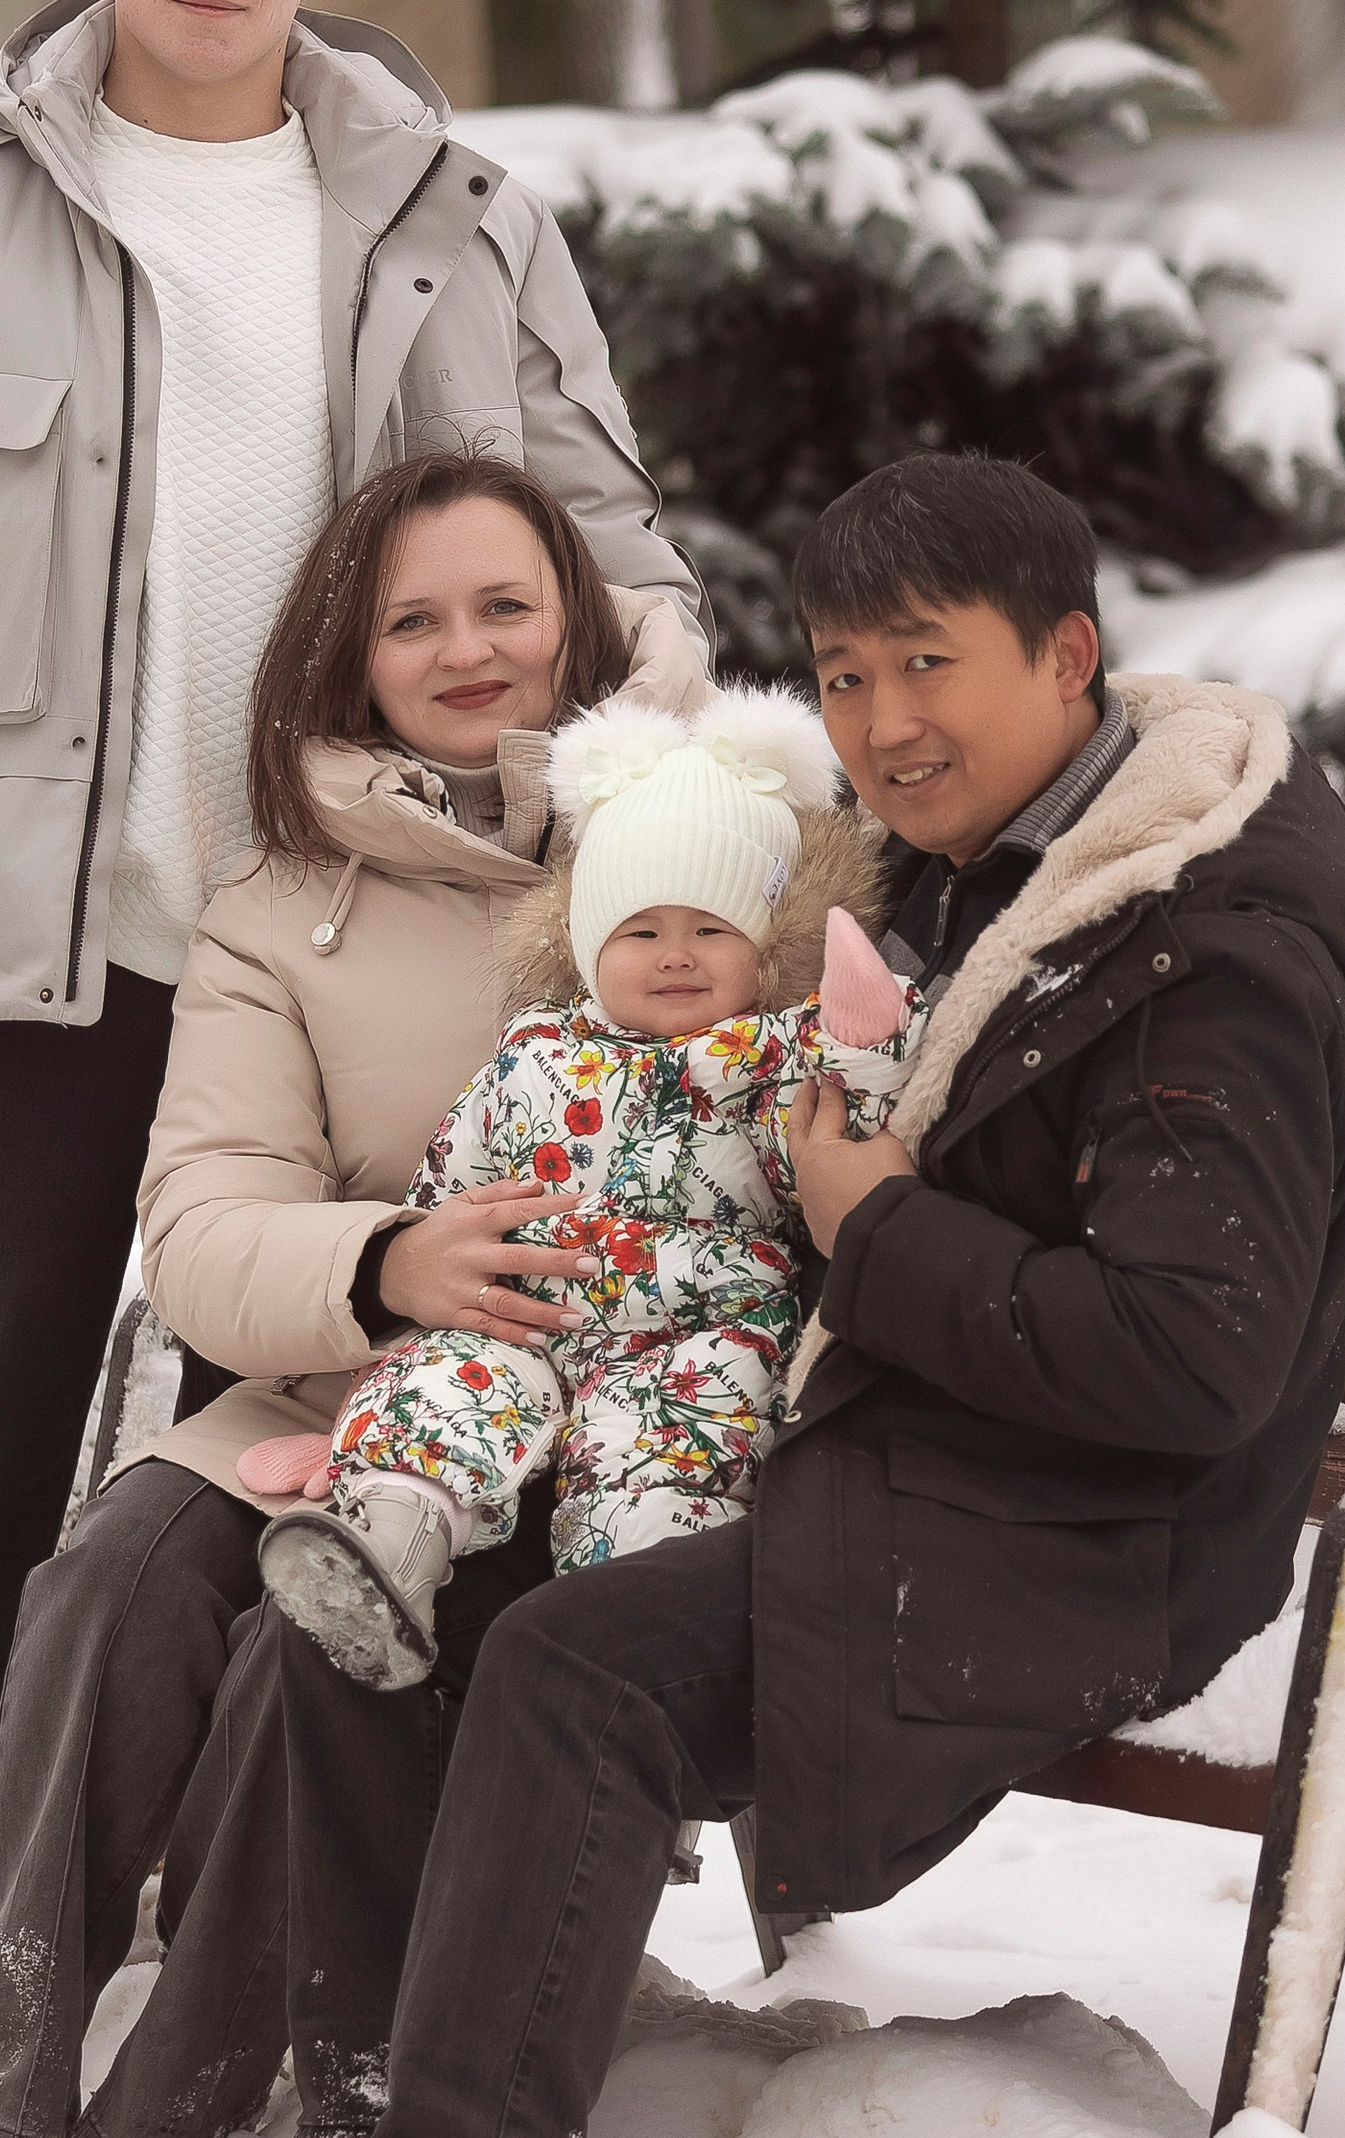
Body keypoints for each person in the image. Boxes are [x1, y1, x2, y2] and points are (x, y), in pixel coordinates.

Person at [0, 0, 703, 2138]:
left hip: (369, 948)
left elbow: (608, 546)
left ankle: (342, 2002)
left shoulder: (457, 217)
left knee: (372, 1458)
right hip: (37, 966)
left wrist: (655, 799)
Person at [162, 450, 1345, 2138]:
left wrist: (872, 1232)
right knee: (407, 1598)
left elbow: (1189, 1366)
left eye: (929, 665)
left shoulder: (1199, 955)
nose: (881, 725)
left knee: (580, 1665)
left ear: (1065, 658)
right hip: (904, 1457)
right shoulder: (955, 874)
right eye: (839, 676)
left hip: (1090, 1535)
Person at [0, 451, 704, 2138]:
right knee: (114, 1576)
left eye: (505, 606)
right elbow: (209, 1225)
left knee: (291, 1655)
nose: (467, 653)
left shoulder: (684, 848)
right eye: (413, 622)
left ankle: (160, 2131)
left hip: (590, 1423)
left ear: (579, 622)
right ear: (351, 658)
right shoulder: (275, 909)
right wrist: (391, 1259)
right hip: (326, 1387)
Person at [256, 688, 910, 1687]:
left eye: (711, 929)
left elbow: (836, 1139)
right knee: (443, 1394)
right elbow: (456, 1178)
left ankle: (625, 1641)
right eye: (640, 931)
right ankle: (388, 1548)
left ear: (768, 950)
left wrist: (866, 1040)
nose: (676, 954)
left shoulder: (771, 1059)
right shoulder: (533, 1051)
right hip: (527, 1310)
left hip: (691, 1326)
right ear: (589, 944)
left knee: (667, 1462)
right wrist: (431, 1264)